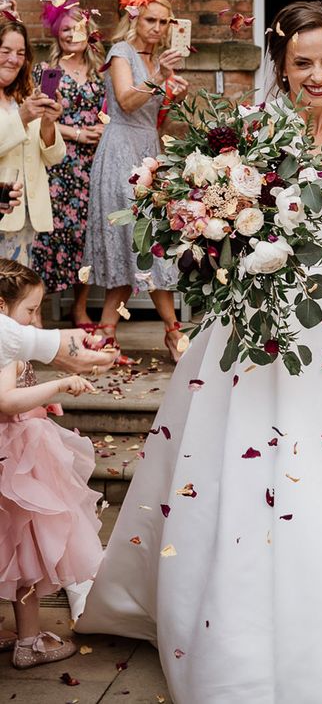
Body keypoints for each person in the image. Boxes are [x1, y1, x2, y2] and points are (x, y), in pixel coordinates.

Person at [76, 0, 322, 704]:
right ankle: (238, 629)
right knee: (248, 474)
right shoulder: (244, 136)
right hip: (254, 323)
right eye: (303, 62)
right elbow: (212, 231)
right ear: (281, 64)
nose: (318, 75)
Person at [0, 261, 103, 667]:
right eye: (29, 311)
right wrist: (59, 384)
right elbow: (6, 402)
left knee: (6, 547)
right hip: (18, 459)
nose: (34, 320)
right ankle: (29, 642)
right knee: (25, 550)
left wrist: (41, 396)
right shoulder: (9, 349)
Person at [83, 0, 188, 361]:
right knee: (140, 242)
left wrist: (174, 97)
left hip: (148, 150)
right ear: (135, 20)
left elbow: (154, 119)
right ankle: (172, 330)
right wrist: (159, 77)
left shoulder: (156, 61)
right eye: (150, 21)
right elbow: (126, 102)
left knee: (144, 242)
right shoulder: (121, 52)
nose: (157, 29)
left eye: (163, 23)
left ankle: (107, 331)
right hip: (119, 153)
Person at [32, 0, 105, 327]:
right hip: (58, 164)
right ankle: (37, 310)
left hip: (94, 164)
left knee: (85, 236)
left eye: (75, 29)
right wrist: (76, 133)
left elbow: (112, 110)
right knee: (52, 234)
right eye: (63, 31)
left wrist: (104, 127)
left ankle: (79, 307)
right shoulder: (47, 71)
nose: (70, 35)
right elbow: (37, 118)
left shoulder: (100, 70)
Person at [0, 16, 65, 265]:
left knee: (17, 293)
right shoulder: (24, 108)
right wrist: (23, 117)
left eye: (19, 52)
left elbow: (53, 156)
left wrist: (48, 121)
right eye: (5, 50)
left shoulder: (24, 96)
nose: (13, 59)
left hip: (26, 215)